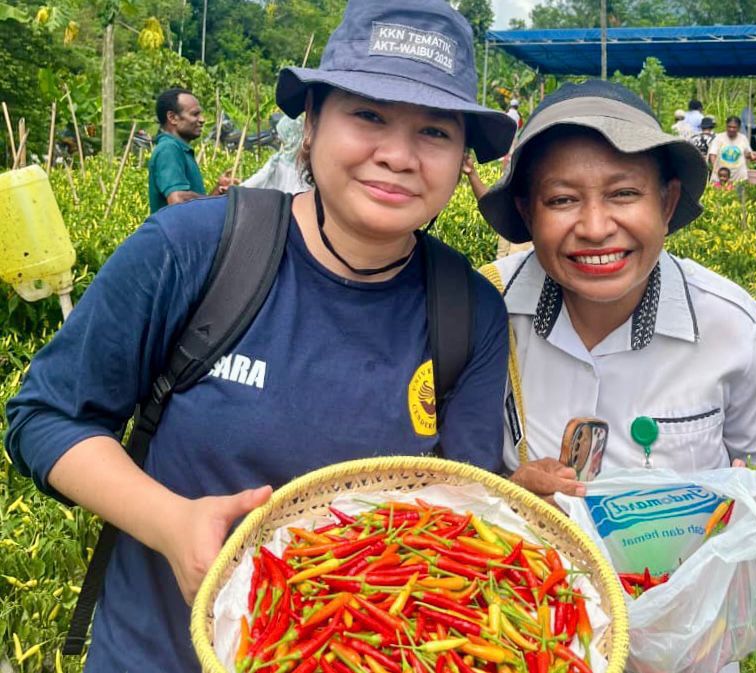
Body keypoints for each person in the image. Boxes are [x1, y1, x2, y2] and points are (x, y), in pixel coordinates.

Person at [4, 1, 516, 670]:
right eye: (368, 115)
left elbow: (459, 503)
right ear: (313, 124)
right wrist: (171, 523)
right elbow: (46, 416)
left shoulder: (468, 310)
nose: (397, 155)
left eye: (434, 132)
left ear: (460, 159)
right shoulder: (192, 248)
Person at [476, 82, 756, 673]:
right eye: (562, 199)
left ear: (666, 202)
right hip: (523, 637)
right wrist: (508, 496)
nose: (595, 227)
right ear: (527, 213)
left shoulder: (729, 327)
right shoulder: (484, 309)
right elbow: (440, 470)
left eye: (624, 193)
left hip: (681, 651)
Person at [147, 87, 237, 213]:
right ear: (172, 117)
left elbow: (194, 209)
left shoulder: (180, 150)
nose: (202, 120)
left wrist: (218, 191)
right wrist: (216, 201)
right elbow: (178, 200)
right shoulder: (168, 149)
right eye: (195, 114)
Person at [241, 114, 310, 193]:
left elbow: (257, 180)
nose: (279, 138)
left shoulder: (278, 162)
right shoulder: (308, 166)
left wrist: (238, 190)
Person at [708, 115, 756, 183]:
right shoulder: (719, 138)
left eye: (734, 127)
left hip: (739, 176)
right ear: (726, 126)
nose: (731, 129)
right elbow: (713, 154)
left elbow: (747, 153)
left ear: (739, 128)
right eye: (729, 126)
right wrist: (716, 170)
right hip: (721, 177)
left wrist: (751, 156)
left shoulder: (743, 138)